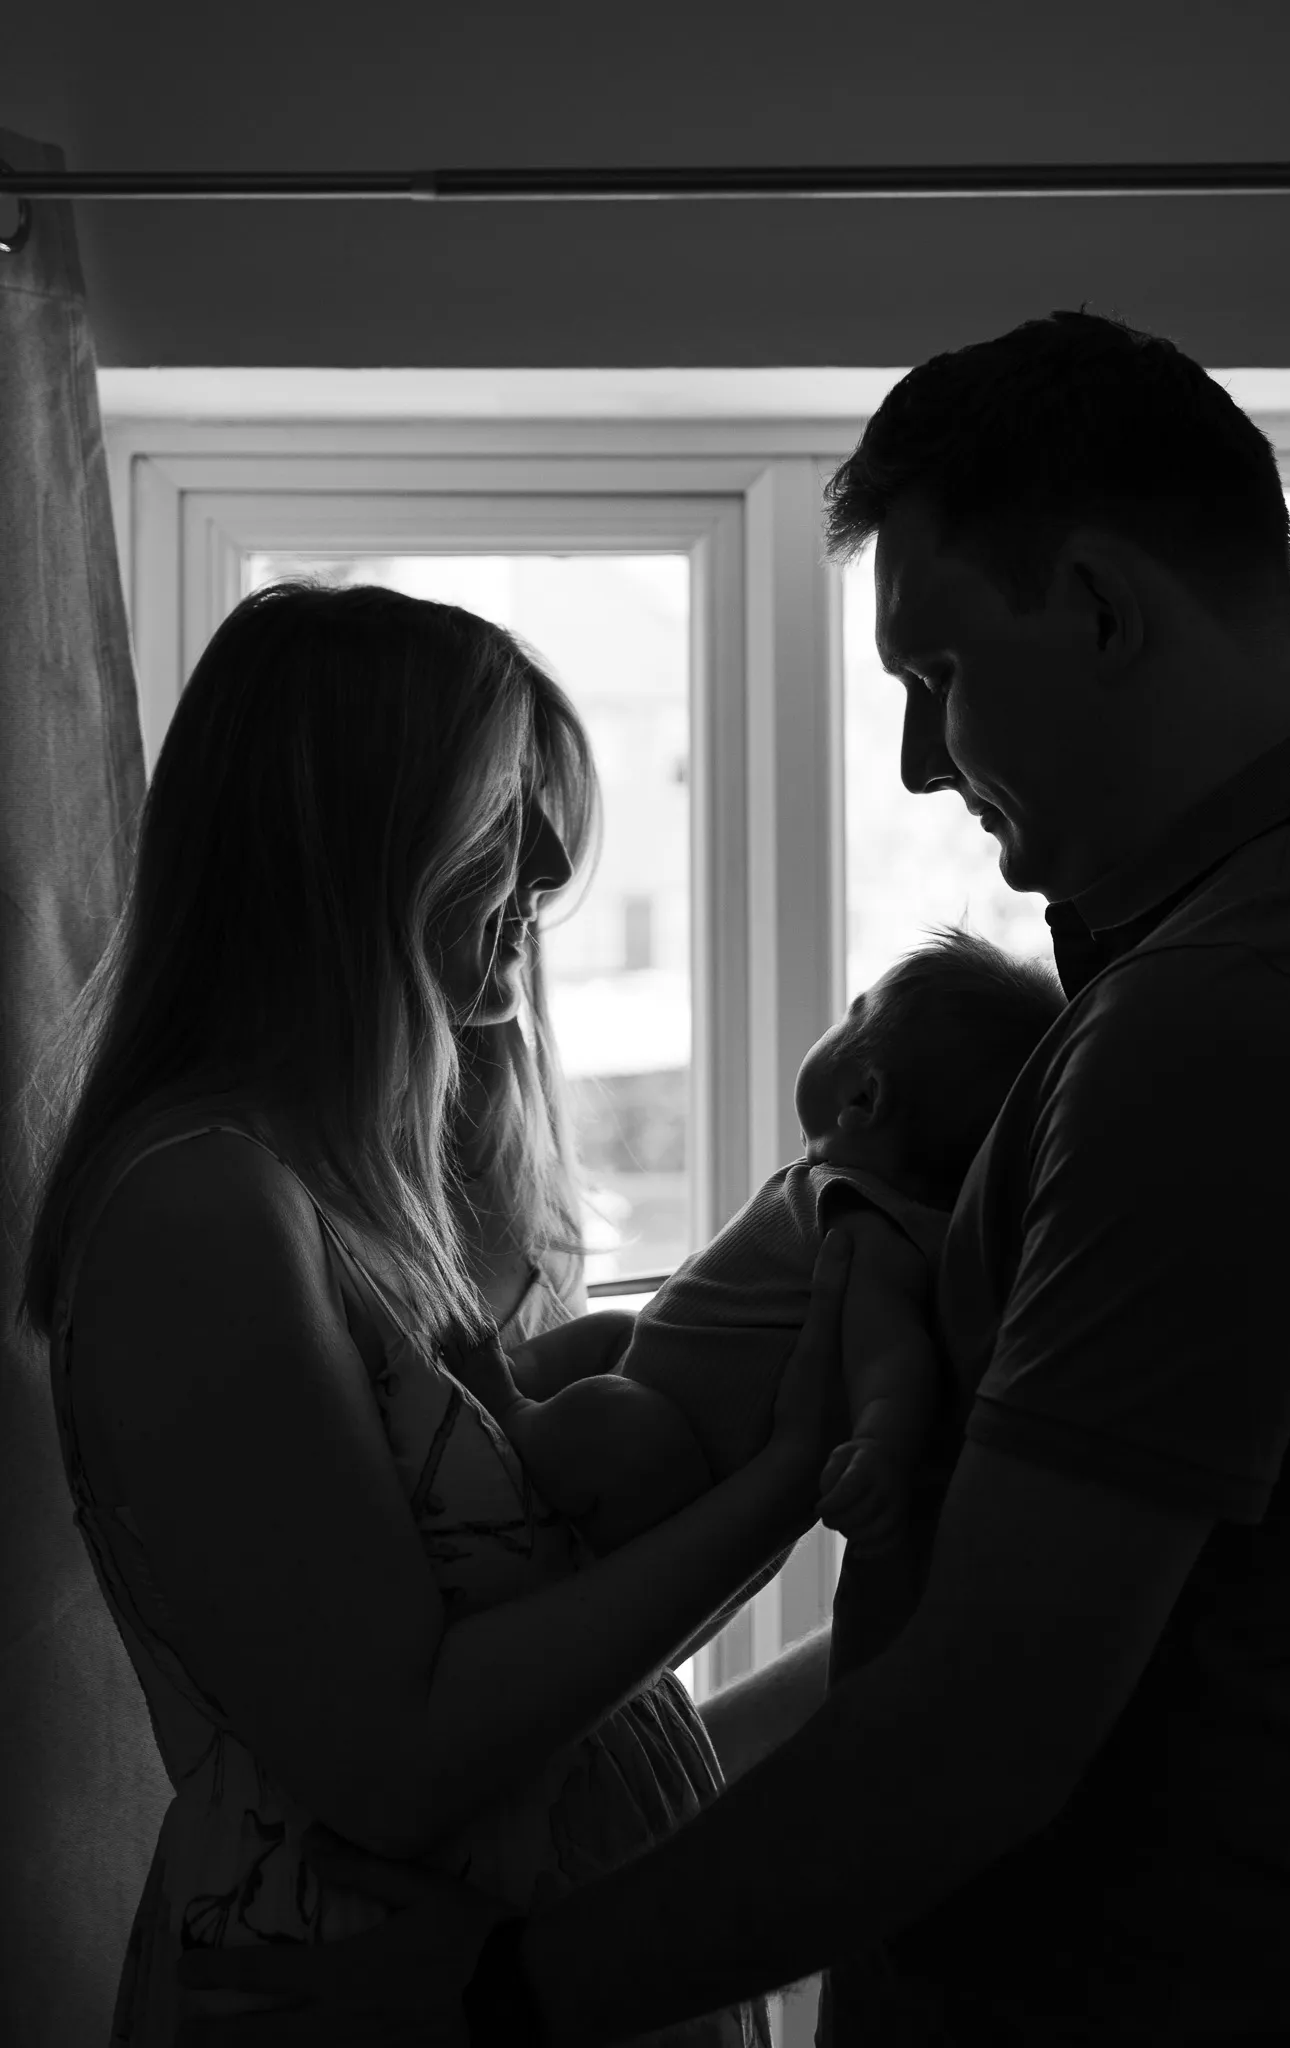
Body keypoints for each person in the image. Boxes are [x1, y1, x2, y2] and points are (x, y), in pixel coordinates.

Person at [177, 306, 1290, 2048]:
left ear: (1106, 611)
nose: (916, 758)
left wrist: (511, 1991)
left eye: (937, 674)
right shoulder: (1282, 947)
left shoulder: (1235, 1021)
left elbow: (990, 1716)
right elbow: (1058, 1636)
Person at [13, 578, 864, 2048]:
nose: (544, 867)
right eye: (497, 814)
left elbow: (538, 1688)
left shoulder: (346, 1204)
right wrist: (784, 1485)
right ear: (343, 844)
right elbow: (396, 1756)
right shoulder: (200, 1210)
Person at [450, 928, 1063, 1572]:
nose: (830, 1027)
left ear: (863, 1098)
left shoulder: (867, 1229)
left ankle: (513, 1415)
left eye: (850, 1017)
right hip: (659, 1411)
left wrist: (882, 1443)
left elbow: (893, 1350)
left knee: (616, 1410)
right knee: (610, 1332)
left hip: (663, 1474)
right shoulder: (841, 1198)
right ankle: (513, 1381)